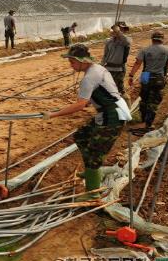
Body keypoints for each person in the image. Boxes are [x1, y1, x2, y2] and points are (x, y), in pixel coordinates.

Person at [42, 44, 131, 200]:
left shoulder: (89, 78)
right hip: (112, 110)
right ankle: (91, 171)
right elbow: (104, 91)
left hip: (112, 116)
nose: (71, 65)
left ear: (82, 60)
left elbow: (80, 105)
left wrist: (53, 114)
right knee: (81, 136)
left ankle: (92, 193)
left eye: (72, 62)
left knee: (94, 154)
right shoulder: (98, 68)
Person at [128, 31, 168, 129]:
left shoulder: (145, 50)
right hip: (158, 76)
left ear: (152, 39)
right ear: (162, 39)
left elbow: (138, 63)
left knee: (144, 98)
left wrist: (131, 75)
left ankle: (143, 119)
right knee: (154, 100)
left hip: (146, 75)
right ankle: (148, 123)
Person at [101, 24, 131, 95]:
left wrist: (117, 31)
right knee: (107, 89)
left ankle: (125, 104)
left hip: (119, 70)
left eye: (121, 30)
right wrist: (101, 66)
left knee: (120, 90)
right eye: (119, 29)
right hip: (108, 69)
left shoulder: (126, 41)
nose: (120, 31)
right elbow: (105, 55)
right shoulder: (109, 41)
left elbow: (126, 41)